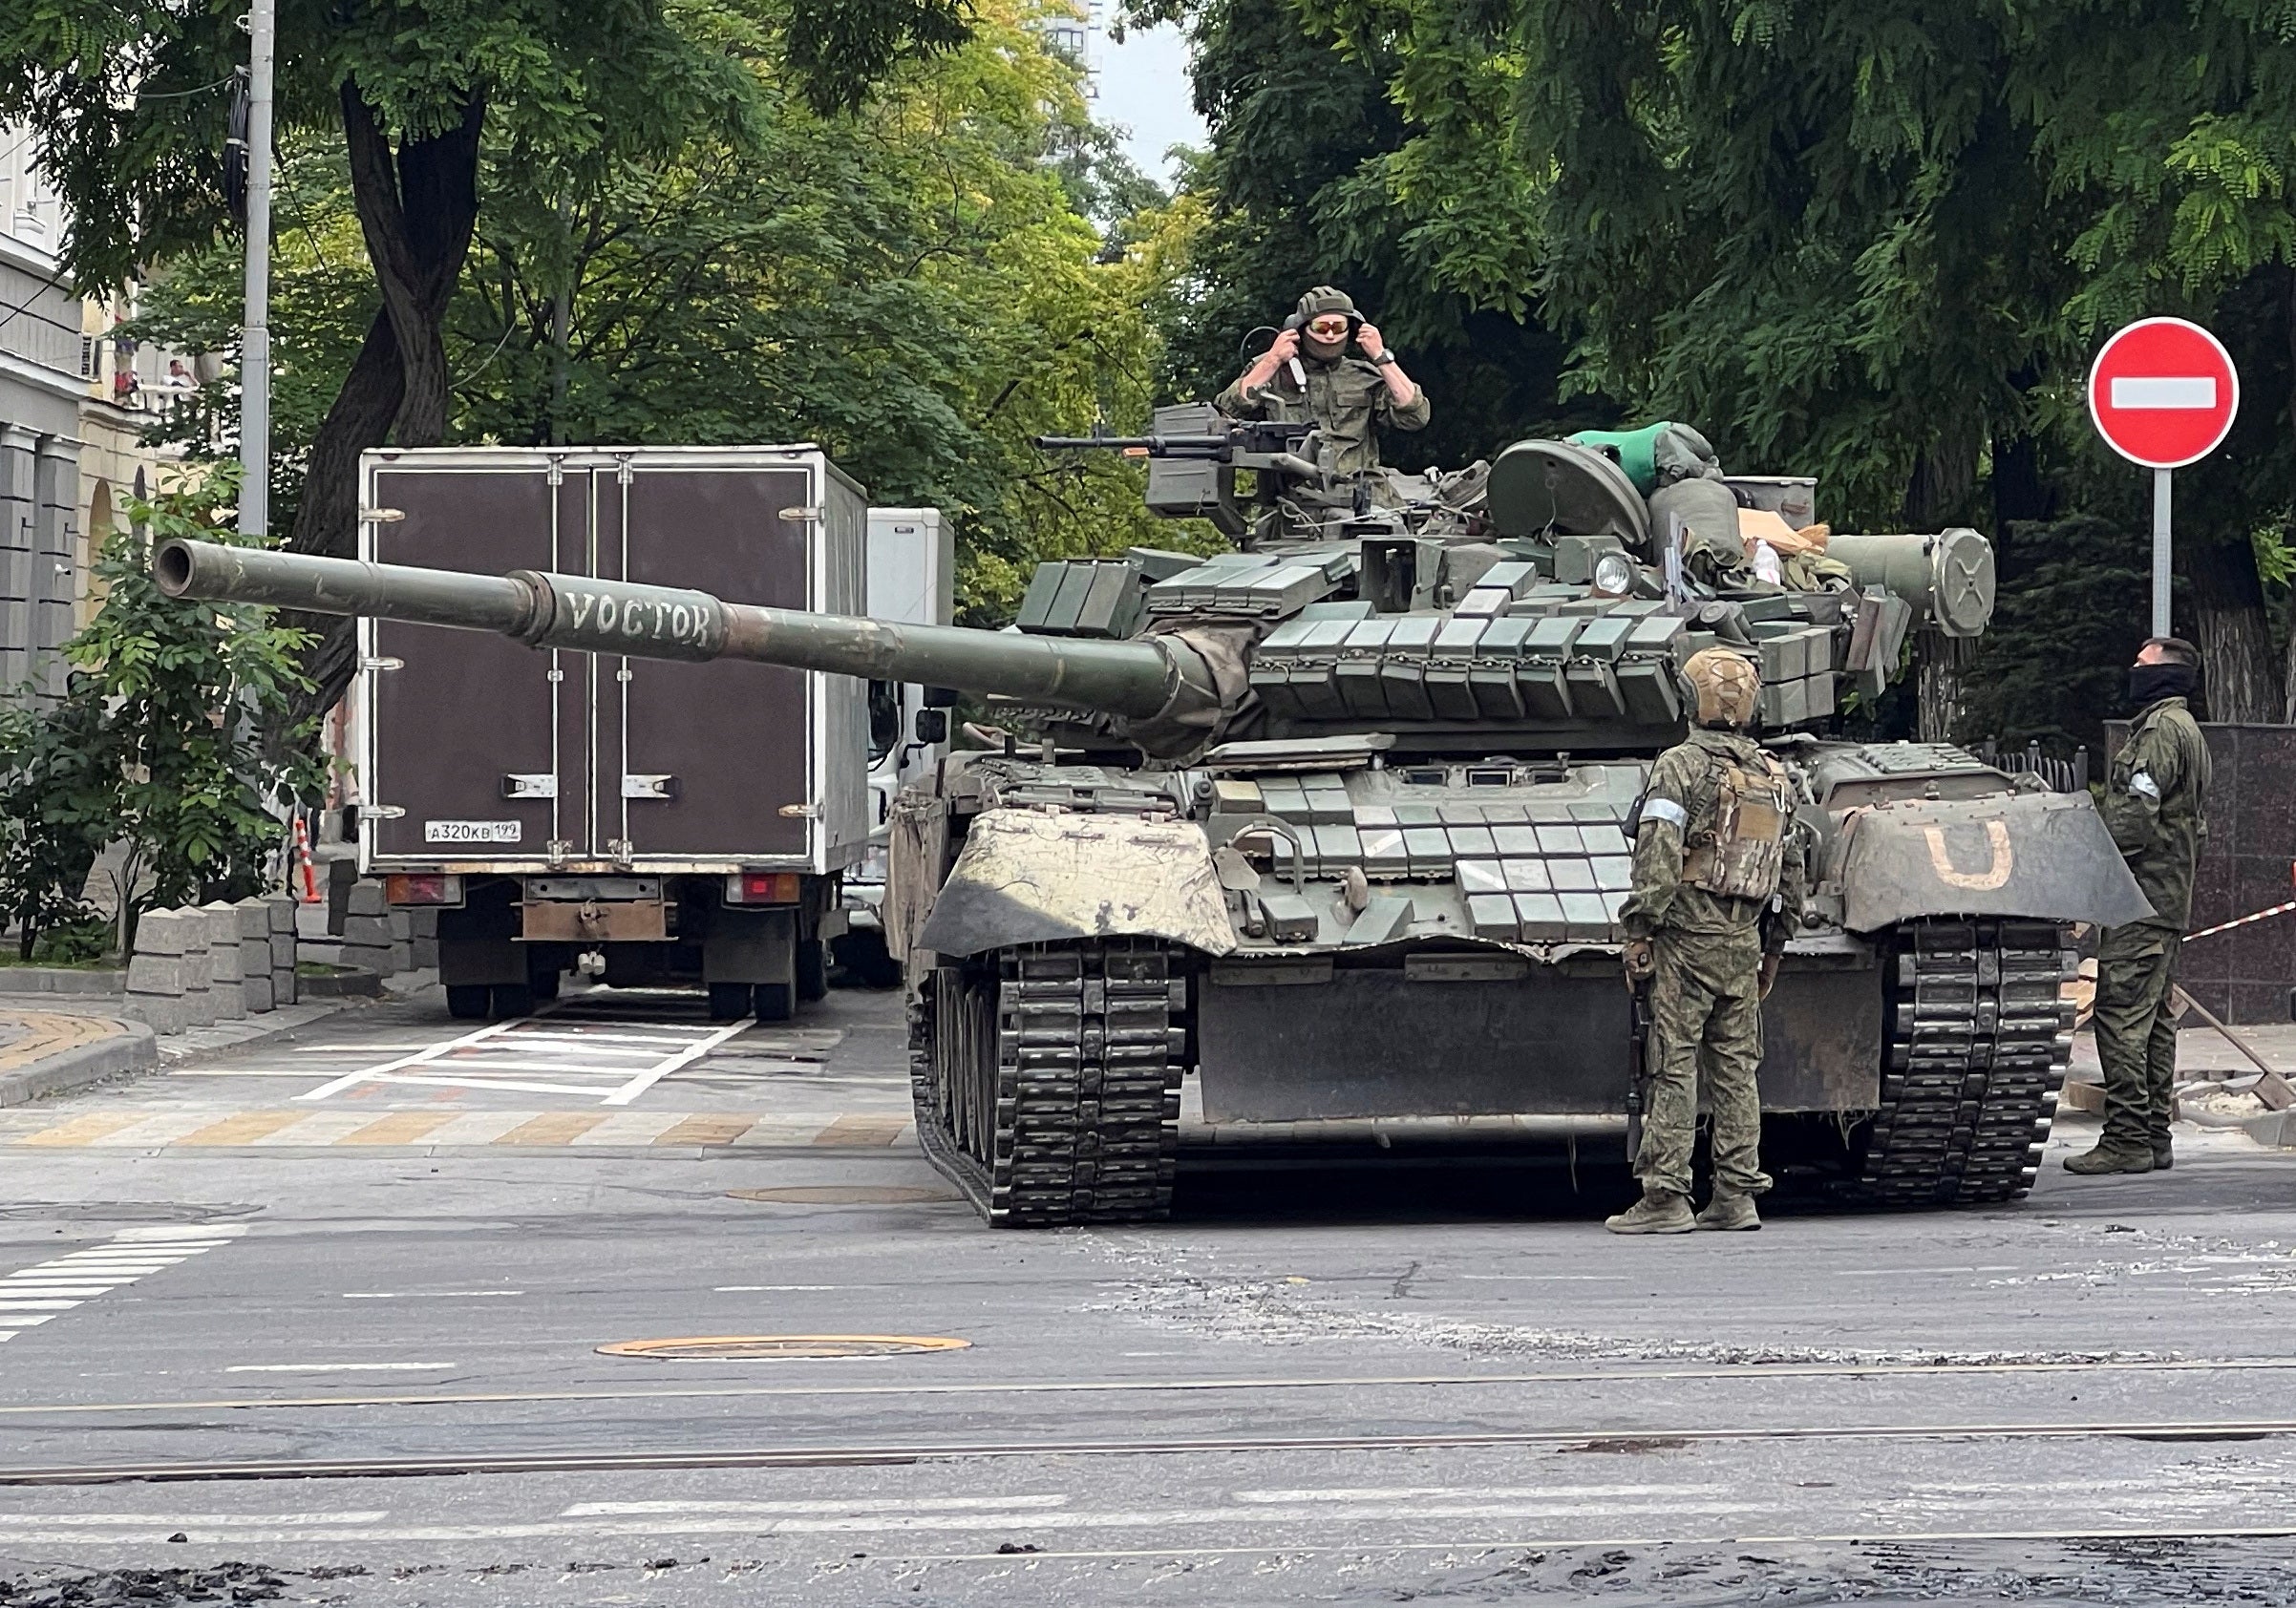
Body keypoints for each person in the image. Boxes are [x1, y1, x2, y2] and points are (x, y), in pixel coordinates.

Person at [1609, 647, 1808, 1235]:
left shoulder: (1679, 766)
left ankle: (1667, 1197)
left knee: (1672, 1065)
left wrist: (1639, 927)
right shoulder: (1774, 775)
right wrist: (1774, 945)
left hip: (1686, 938)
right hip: (1743, 939)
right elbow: (1791, 867)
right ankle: (1736, 1195)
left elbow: (1660, 854)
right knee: (1737, 1068)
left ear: (1691, 700)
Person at [2066, 636, 2212, 1175]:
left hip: (2140, 898)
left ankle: (2128, 1137)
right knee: (2152, 1022)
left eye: (2142, 665)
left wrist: (2095, 881)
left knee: (2122, 1017)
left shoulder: (2157, 734)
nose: (2133, 671)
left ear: (2165, 677)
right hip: (2166, 897)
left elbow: (2134, 819)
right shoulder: (2188, 731)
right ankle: (2153, 1135)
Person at [1215, 286, 1430, 479]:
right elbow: (1225, 414)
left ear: (1352, 330)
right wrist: (1272, 360)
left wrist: (1381, 356)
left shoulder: (1364, 376)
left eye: (1338, 327)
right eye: (1320, 326)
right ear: (1299, 329)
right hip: (1293, 499)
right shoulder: (1272, 371)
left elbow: (1415, 416)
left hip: (1361, 498)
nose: (1329, 335)